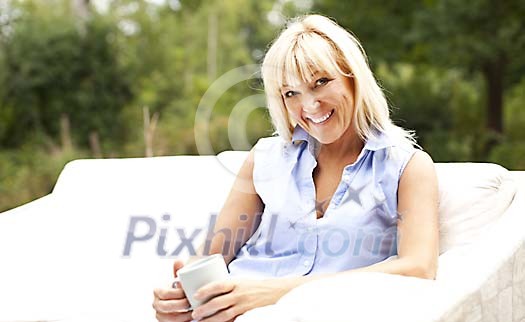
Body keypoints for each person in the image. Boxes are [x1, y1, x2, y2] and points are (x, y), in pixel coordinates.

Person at [153, 14, 438, 322]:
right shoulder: (264, 159)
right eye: (291, 93)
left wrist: (279, 292)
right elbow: (211, 255)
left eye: (321, 82)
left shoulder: (405, 167)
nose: (310, 106)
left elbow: (417, 268)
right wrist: (180, 297)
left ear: (353, 78)